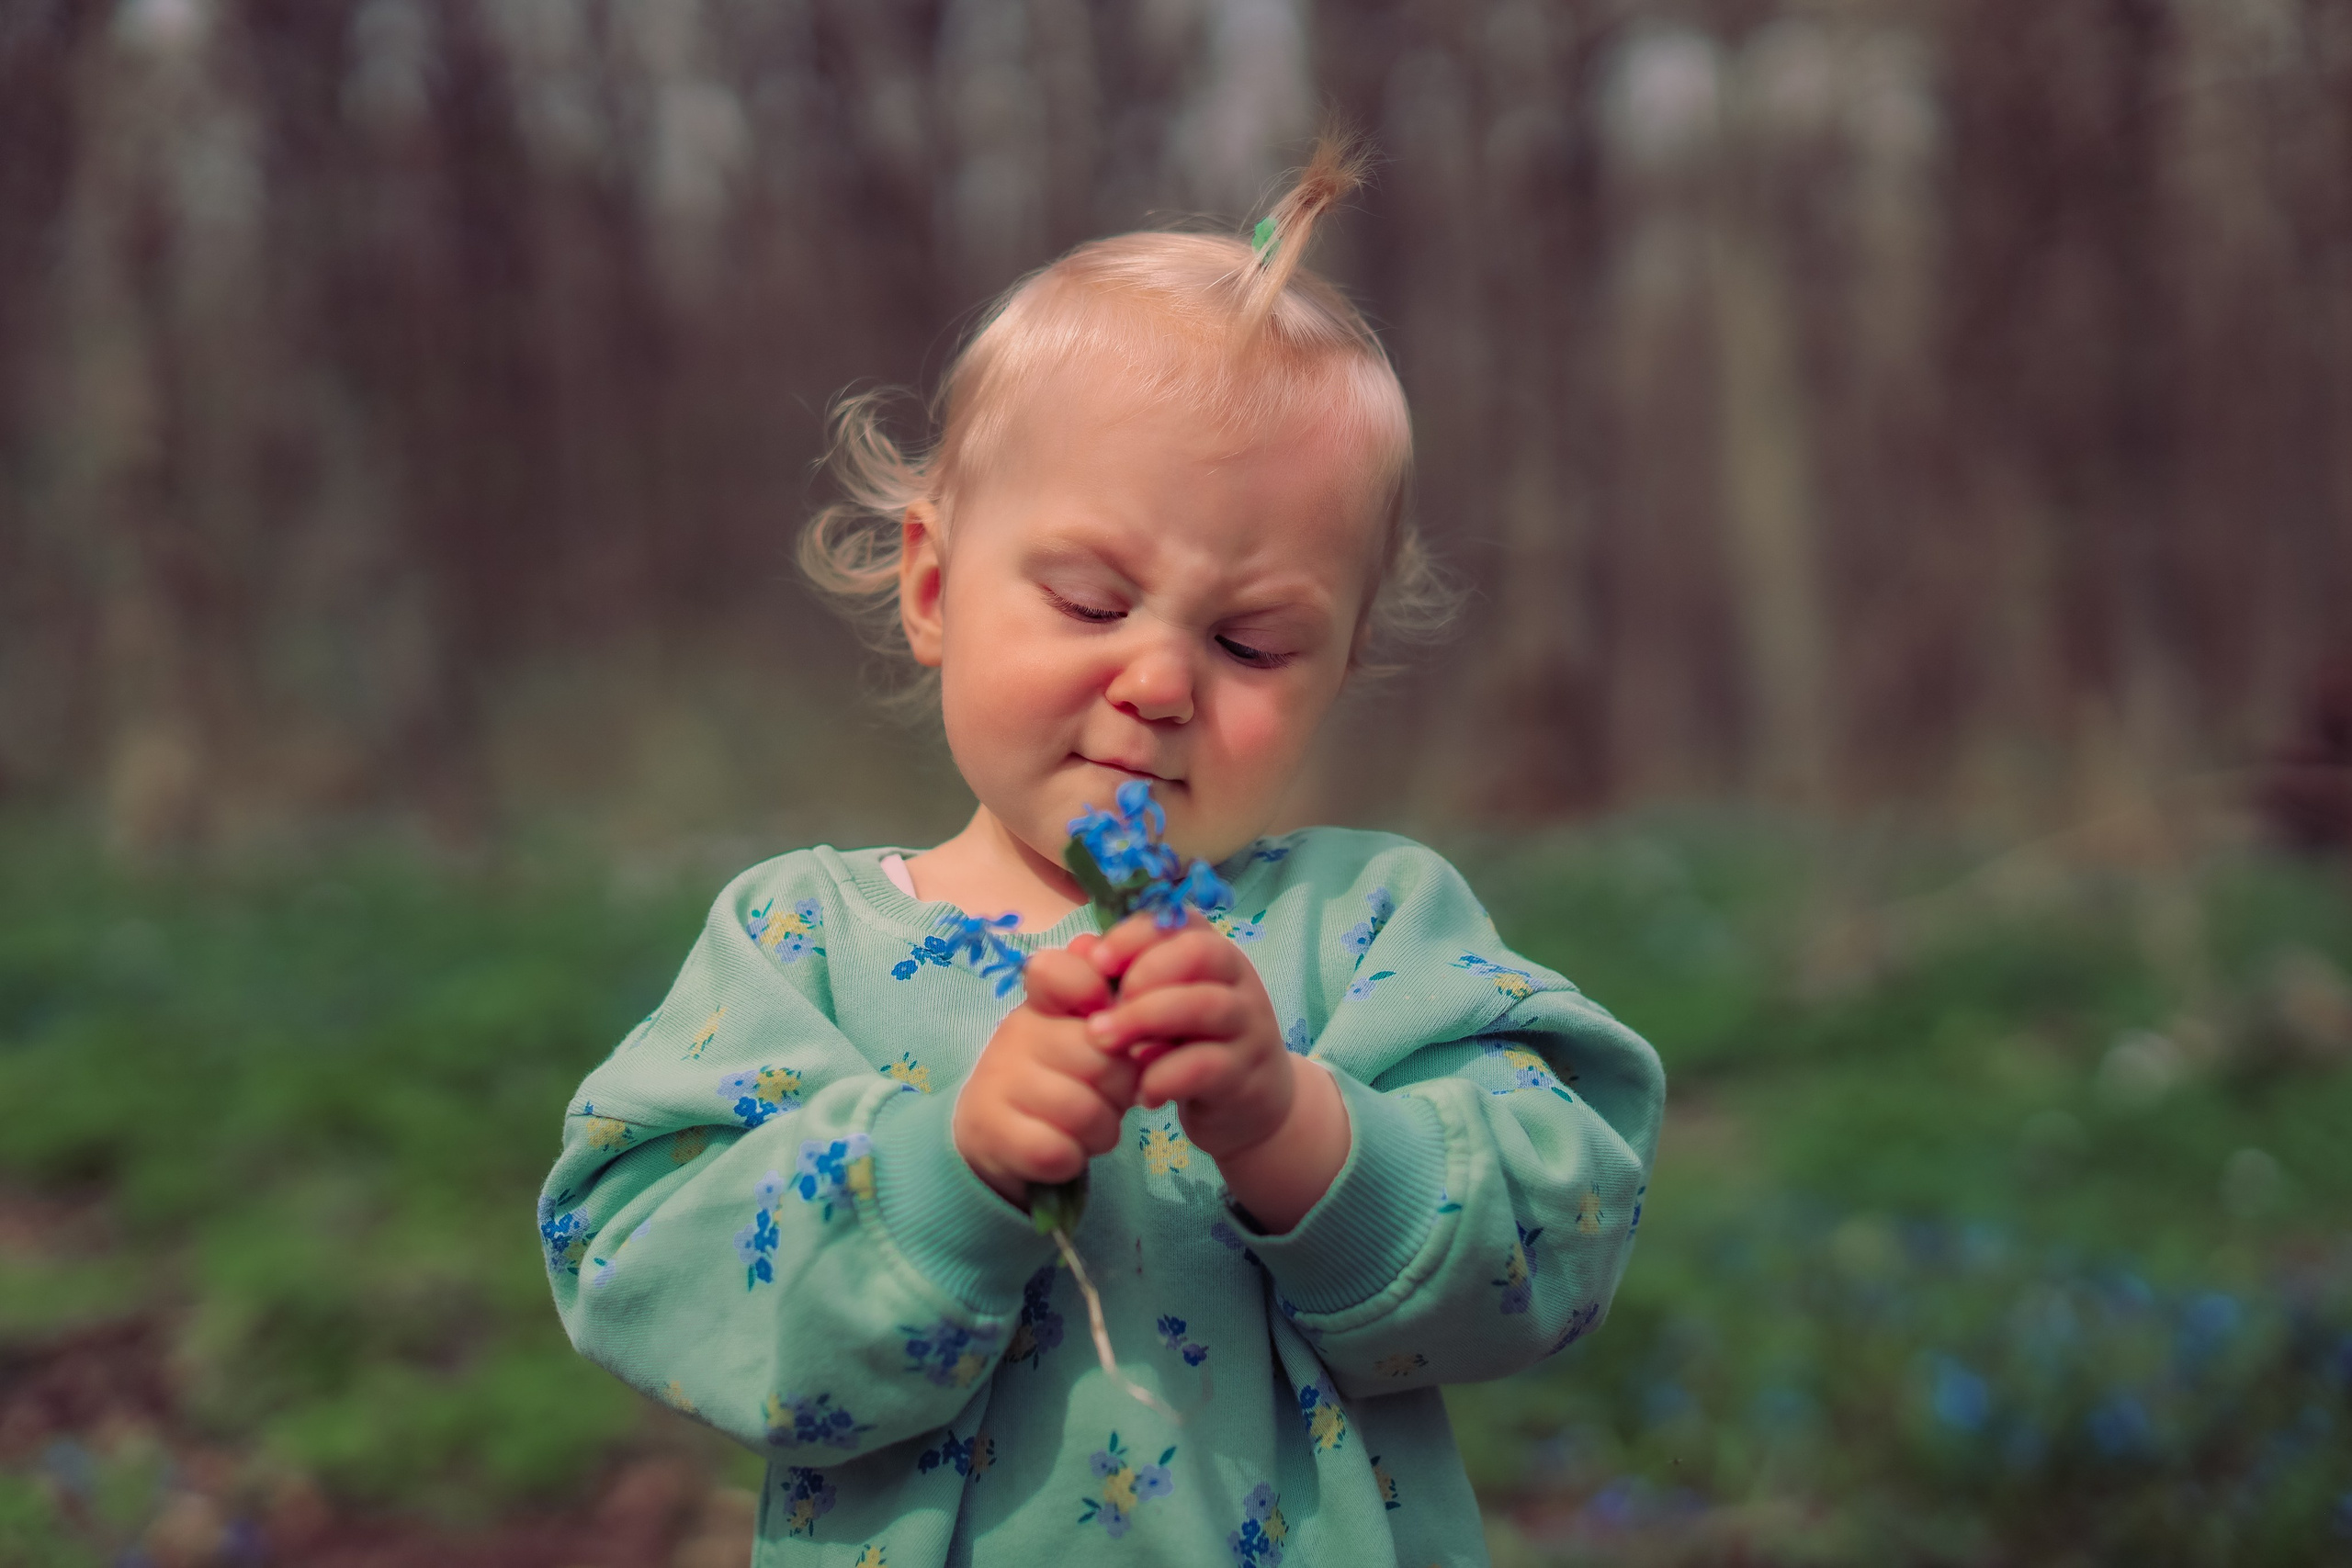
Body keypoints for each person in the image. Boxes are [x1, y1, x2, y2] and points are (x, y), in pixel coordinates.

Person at [538, 138, 1665, 1568]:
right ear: (934, 584)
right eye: (1090, 602)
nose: (1160, 682)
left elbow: (1557, 1238)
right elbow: (641, 1267)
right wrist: (949, 1168)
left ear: (1340, 667)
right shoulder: (804, 947)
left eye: (1252, 642)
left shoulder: (1369, 927)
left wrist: (1292, 1126)